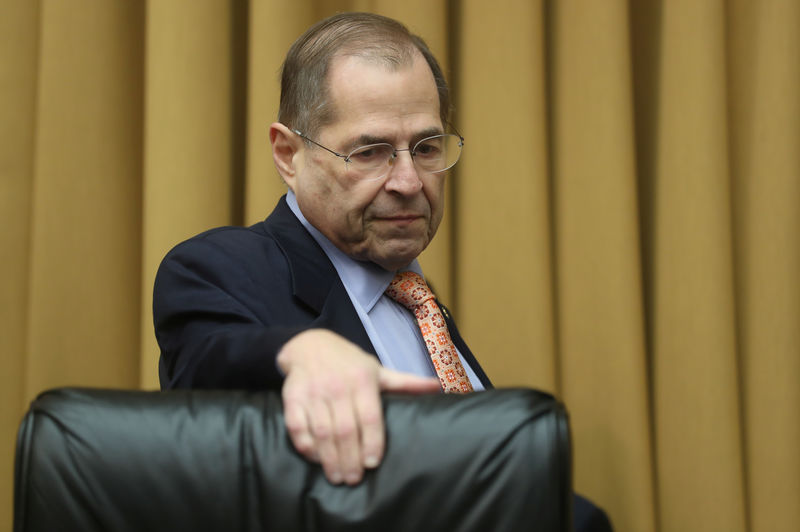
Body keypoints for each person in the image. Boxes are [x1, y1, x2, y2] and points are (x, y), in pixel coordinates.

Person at [154, 12, 611, 531]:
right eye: (370, 152)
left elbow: (483, 489)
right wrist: (296, 351)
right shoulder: (222, 270)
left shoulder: (416, 301)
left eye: (426, 147)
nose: (409, 181)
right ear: (288, 154)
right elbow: (207, 362)